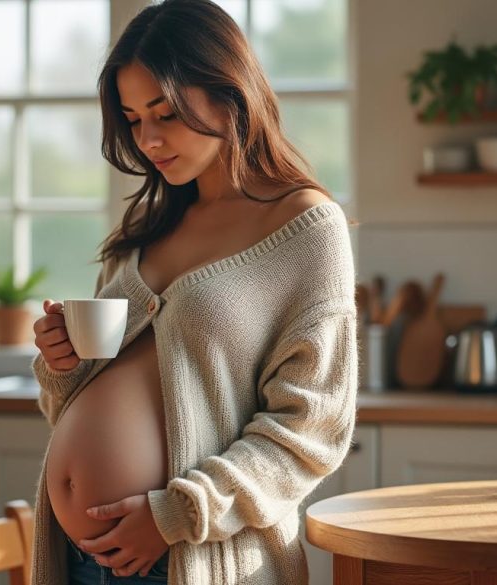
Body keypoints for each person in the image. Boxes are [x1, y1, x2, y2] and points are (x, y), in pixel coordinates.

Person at [30, 1, 357, 583]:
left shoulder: (306, 227)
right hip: (79, 561)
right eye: (133, 119)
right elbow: (77, 405)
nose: (149, 139)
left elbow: (310, 432)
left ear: (229, 92)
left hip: (192, 558)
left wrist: (175, 517)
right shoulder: (143, 233)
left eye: (166, 113)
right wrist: (63, 366)